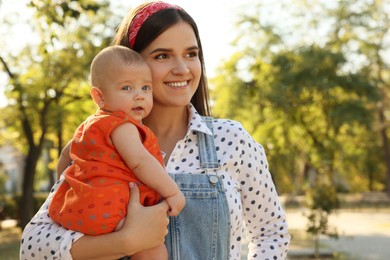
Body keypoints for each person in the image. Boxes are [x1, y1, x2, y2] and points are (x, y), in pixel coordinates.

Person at [20, 1, 291, 259]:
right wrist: (126, 242)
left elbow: (271, 233)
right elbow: (32, 248)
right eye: (162, 55)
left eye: (191, 54)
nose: (182, 68)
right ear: (130, 61)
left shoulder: (231, 140)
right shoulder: (98, 141)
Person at [47, 45, 185, 259]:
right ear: (99, 97)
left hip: (84, 208)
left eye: (145, 88)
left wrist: (64, 185)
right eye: (127, 88)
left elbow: (65, 158)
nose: (139, 96)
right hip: (113, 207)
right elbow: (140, 161)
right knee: (153, 248)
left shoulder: (88, 126)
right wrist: (172, 192)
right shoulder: (122, 125)